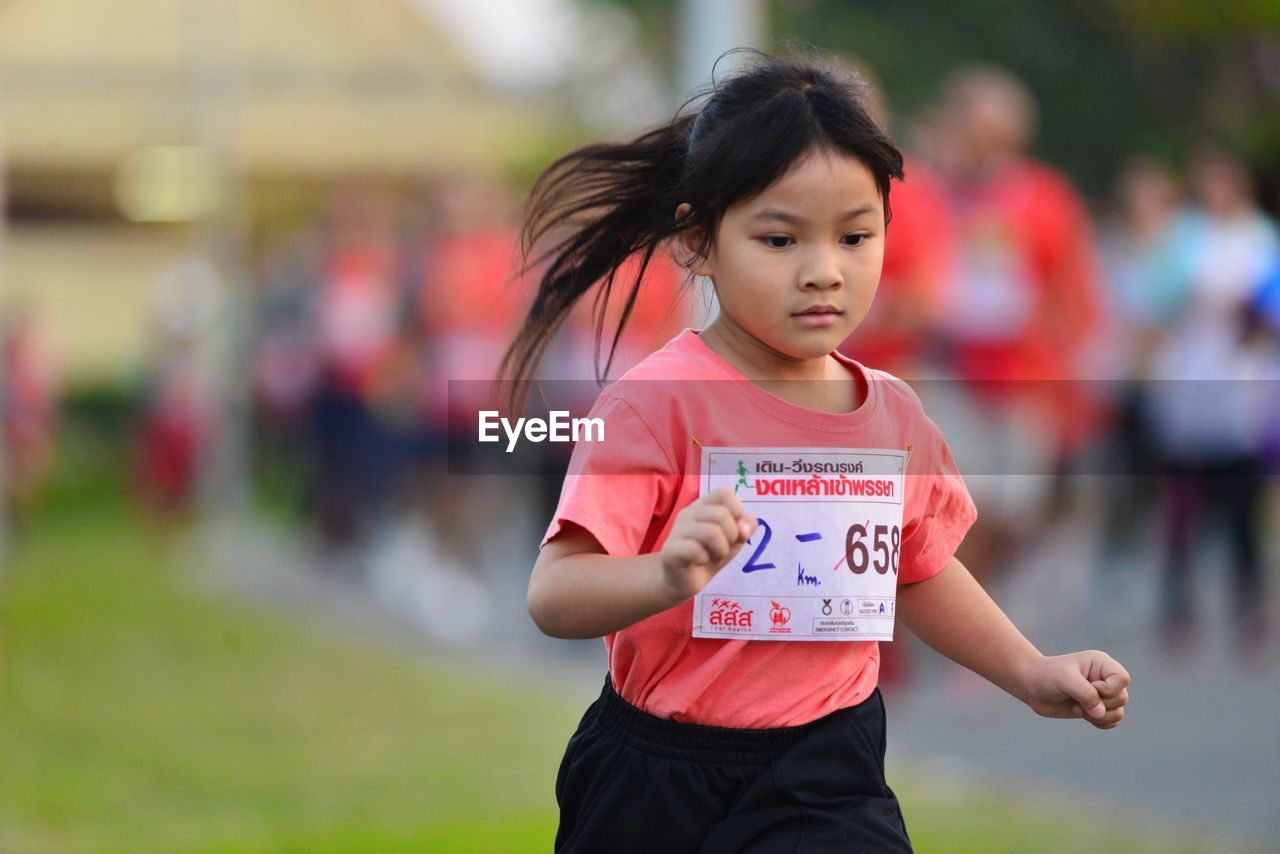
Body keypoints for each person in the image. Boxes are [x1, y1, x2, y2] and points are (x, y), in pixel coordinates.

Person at [502, 52, 1131, 853]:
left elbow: (920, 566)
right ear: (699, 242)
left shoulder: (892, 413)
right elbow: (555, 594)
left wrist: (1029, 670)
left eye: (855, 236)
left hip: (825, 763)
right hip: (658, 772)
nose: (823, 272)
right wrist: (666, 574)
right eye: (779, 239)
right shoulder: (655, 403)